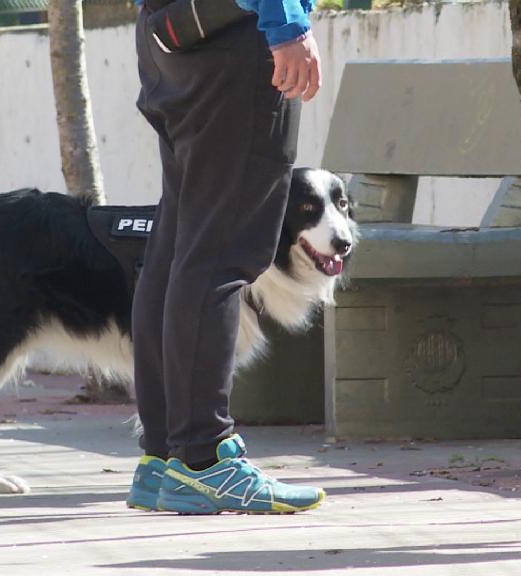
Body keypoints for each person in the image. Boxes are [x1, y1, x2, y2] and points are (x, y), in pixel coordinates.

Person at [126, 0, 325, 514]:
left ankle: (164, 459)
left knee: (177, 249)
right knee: (219, 254)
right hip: (237, 38)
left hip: (171, 34)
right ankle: (203, 460)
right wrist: (286, 26)